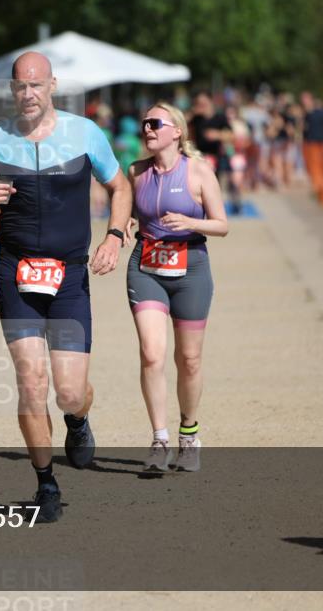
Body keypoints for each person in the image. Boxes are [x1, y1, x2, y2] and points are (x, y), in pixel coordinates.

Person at [0, 52, 132, 523]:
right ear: (10, 91)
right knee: (32, 383)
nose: (28, 94)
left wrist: (114, 237)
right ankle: (45, 482)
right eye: (20, 87)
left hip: (70, 276)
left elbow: (120, 186)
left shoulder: (85, 133)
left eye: (36, 85)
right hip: (16, 274)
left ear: (52, 85)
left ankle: (77, 419)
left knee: (69, 391)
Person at [126, 103, 228, 474]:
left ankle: (189, 434)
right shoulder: (136, 171)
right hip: (147, 266)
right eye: (144, 124)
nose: (148, 130)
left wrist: (190, 221)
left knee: (189, 360)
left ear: (177, 131)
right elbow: (125, 212)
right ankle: (159, 439)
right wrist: (120, 231)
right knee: (152, 354)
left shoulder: (199, 171)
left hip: (191, 267)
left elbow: (222, 224)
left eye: (155, 123)